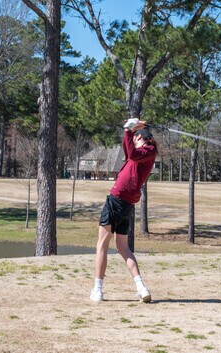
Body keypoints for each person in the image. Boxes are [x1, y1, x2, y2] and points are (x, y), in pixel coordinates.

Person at [90, 118, 158, 303]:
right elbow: (129, 150)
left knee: (101, 245)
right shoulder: (140, 154)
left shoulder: (148, 150)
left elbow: (133, 152)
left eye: (135, 137)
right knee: (122, 247)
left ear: (140, 138)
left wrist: (130, 130)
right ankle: (141, 288)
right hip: (125, 203)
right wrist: (130, 129)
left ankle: (98, 290)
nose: (133, 140)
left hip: (117, 200)